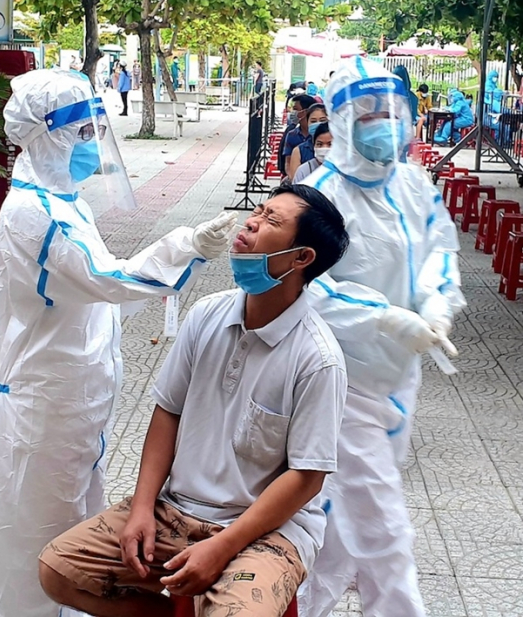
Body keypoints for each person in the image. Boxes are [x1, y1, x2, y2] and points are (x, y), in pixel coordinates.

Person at [0, 69, 237, 617]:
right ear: (46, 134)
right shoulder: (38, 215)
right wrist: (187, 243)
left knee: (76, 525)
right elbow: (110, 280)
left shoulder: (63, 200)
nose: (90, 145)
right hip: (46, 409)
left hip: (71, 405)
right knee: (40, 542)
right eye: (79, 133)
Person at [38, 183, 350, 617]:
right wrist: (143, 508)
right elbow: (168, 413)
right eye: (258, 211)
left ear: (301, 259)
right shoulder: (207, 314)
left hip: (264, 532)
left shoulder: (317, 358)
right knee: (59, 570)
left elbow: (306, 477)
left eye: (272, 221)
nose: (252, 223)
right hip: (176, 511)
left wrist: (222, 547)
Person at [299, 58, 465, 617]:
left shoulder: (414, 183)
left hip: (400, 377)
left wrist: (437, 301)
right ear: (341, 120)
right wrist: (385, 317)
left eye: (393, 112)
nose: (383, 124)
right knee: (385, 526)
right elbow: (306, 285)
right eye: (368, 113)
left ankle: (298, 604)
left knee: (344, 526)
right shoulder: (319, 195)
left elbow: (439, 247)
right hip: (342, 381)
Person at [279, 94, 316, 176]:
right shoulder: (292, 134)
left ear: (305, 111)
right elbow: (287, 162)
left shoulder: (321, 134)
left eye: (295, 109)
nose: (292, 112)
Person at [288, 103, 328, 179]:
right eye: (313, 121)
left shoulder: (341, 149)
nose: (318, 124)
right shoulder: (299, 151)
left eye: (322, 120)